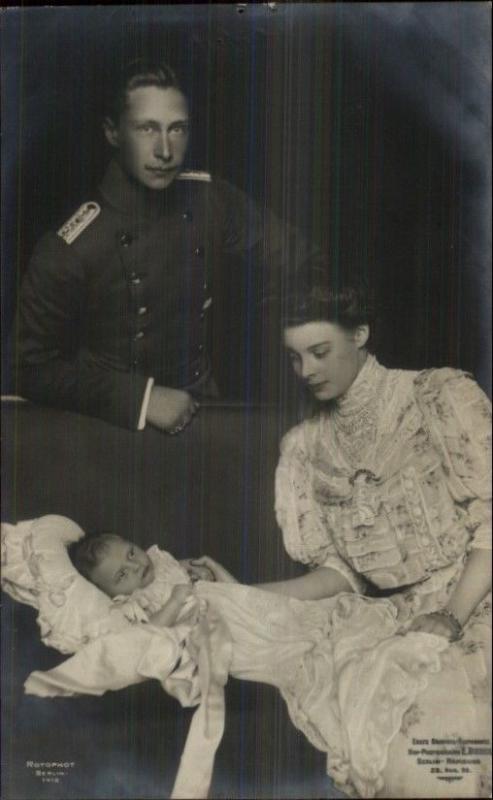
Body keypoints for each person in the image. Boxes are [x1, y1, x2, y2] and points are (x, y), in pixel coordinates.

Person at [192, 271, 492, 798]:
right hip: (392, 616)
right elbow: (340, 575)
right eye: (294, 357)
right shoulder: (304, 447)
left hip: (477, 594)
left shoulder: (438, 396)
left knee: (440, 726)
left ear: (360, 335)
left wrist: (449, 618)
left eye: (320, 351)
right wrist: (240, 595)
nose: (306, 371)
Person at [16, 58, 318, 433]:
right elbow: (25, 367)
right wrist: (141, 399)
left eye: (177, 129)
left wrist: (308, 359)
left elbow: (301, 259)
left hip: (204, 410)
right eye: (147, 129)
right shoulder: (71, 245)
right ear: (112, 132)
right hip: (108, 424)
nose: (165, 151)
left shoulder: (211, 200)